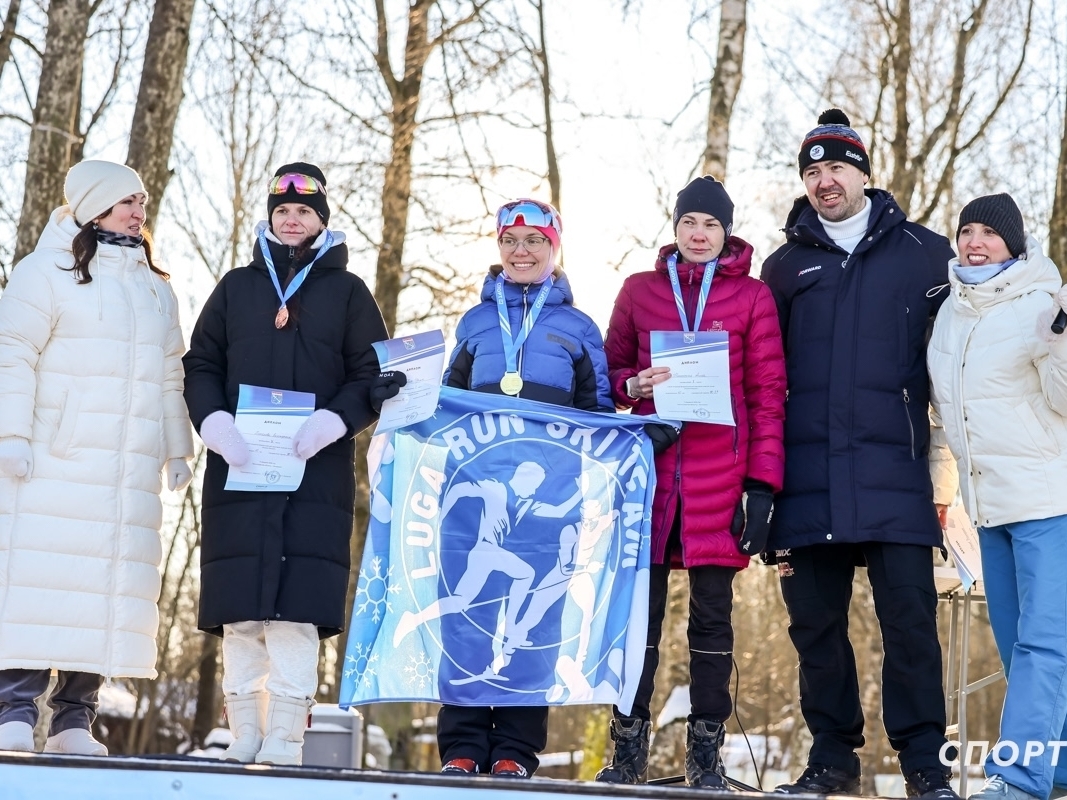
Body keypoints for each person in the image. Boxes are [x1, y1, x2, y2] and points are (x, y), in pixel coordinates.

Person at [759, 109, 959, 800]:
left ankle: (925, 764)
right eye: (811, 172)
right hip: (805, 479)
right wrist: (759, 483)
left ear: (863, 173)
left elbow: (958, 369)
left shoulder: (928, 255)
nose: (823, 182)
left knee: (909, 624)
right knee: (814, 626)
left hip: (895, 477)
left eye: (835, 168)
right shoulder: (782, 267)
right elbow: (761, 379)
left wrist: (948, 476)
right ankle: (831, 758)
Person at [182, 162, 389, 766]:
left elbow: (374, 374)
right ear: (270, 218)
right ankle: (244, 732)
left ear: (321, 219)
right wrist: (212, 422)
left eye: (303, 211)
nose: (291, 219)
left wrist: (337, 420)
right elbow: (200, 365)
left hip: (314, 476)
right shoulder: (235, 288)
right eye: (281, 211)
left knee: (296, 615)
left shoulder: (348, 293)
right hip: (239, 470)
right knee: (241, 613)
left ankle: (287, 737)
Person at [597, 176, 786, 788]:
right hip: (647, 478)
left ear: (726, 232)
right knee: (636, 623)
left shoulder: (753, 298)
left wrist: (762, 486)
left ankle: (705, 761)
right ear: (674, 229)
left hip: (720, 478)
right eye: (688, 223)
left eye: (710, 224)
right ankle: (626, 757)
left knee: (712, 622)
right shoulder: (640, 291)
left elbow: (767, 397)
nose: (699, 234)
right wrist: (633, 387)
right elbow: (607, 375)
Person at [0, 160, 193, 755]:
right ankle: (14, 708)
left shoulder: (156, 288)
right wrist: (11, 436)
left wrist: (177, 448)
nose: (140, 212)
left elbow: (171, 376)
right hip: (54, 457)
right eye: (127, 202)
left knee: (105, 591)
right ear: (93, 208)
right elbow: (11, 353)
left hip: (126, 469)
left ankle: (73, 721)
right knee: (38, 582)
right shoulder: (46, 271)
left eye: (141, 203)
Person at [419, 198, 615, 779]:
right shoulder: (475, 323)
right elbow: (445, 403)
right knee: (471, 616)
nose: (522, 250)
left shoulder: (579, 328)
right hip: (479, 499)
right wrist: (401, 395)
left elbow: (598, 413)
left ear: (555, 249)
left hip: (552, 502)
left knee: (534, 618)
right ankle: (461, 747)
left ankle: (515, 751)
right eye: (511, 240)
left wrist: (642, 433)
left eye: (534, 240)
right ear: (499, 247)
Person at [927, 194, 1067, 800]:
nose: (974, 242)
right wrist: (944, 494)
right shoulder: (950, 315)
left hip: (1049, 501)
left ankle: (1019, 777)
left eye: (988, 232)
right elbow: (943, 414)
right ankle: (1056, 767)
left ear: (1013, 244)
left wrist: (1061, 342)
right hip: (989, 508)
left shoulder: (1043, 302)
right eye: (966, 231)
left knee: (1045, 642)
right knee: (1016, 646)